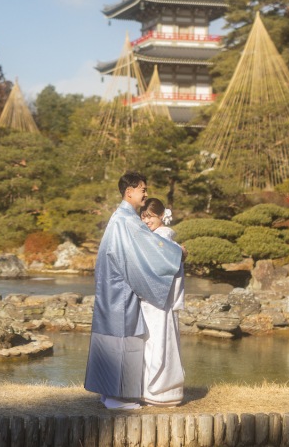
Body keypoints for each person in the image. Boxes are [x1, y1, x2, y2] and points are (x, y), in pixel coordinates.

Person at [84, 172, 184, 410]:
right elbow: (149, 248)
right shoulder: (127, 220)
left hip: (111, 286)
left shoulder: (119, 217)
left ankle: (109, 395)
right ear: (129, 192)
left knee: (111, 340)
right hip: (121, 289)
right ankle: (117, 398)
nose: (146, 194)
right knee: (122, 341)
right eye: (143, 189)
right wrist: (177, 252)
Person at [139, 198, 186, 407]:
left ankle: (155, 391)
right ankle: (167, 391)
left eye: (150, 216)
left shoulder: (160, 240)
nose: (146, 220)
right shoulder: (170, 243)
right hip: (163, 299)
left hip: (156, 299)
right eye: (143, 217)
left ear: (161, 216)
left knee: (154, 342)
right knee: (164, 342)